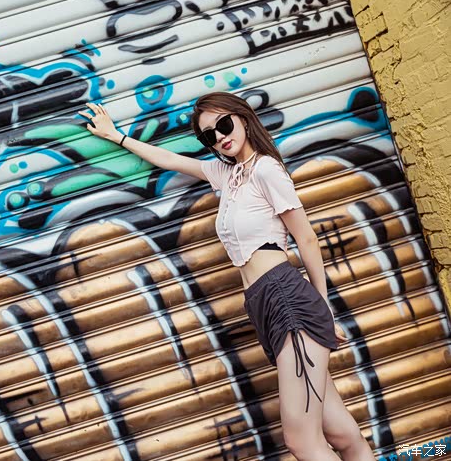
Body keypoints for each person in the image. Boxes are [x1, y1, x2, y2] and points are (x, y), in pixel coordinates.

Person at [79, 92, 375, 461]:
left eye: (224, 124)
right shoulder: (228, 175)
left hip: (289, 303)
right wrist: (117, 136)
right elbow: (169, 159)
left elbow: (306, 238)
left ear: (243, 118)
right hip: (264, 306)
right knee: (342, 434)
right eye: (209, 135)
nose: (220, 137)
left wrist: (324, 307)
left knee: (302, 442)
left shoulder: (266, 170)